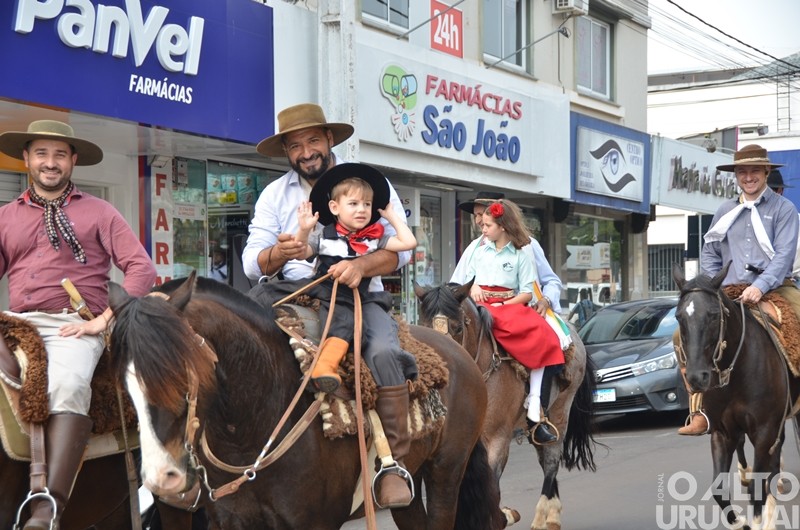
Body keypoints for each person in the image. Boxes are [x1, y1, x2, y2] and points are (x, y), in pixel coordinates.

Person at [241, 103, 416, 507]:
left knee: (383, 351)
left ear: (330, 140)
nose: (305, 152)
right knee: (239, 341)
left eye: (313, 141)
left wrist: (360, 265)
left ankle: (393, 463)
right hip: (292, 290)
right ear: (286, 151)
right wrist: (283, 251)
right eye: (295, 145)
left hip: (360, 292)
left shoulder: (369, 184)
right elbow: (254, 263)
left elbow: (402, 251)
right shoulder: (274, 194)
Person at [0, 120, 156, 529]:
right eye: (41, 154)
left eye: (58, 155)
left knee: (68, 386)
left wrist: (104, 320)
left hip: (73, 324)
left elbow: (141, 269)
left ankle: (48, 506)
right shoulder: (5, 217)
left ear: (72, 161)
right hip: (17, 321)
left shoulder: (99, 211)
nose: (49, 163)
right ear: (28, 159)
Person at [678, 144, 799, 436]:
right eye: (742, 171)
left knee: (799, 319)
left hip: (775, 287)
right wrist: (709, 285)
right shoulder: (724, 210)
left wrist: (759, 287)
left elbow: (783, 256)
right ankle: (698, 410)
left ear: (766, 172)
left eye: (755, 170)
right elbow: (709, 251)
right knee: (682, 333)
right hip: (728, 290)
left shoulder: (784, 209)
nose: (749, 177)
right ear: (735, 176)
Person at [451, 191, 567, 445]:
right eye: (477, 217)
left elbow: (547, 281)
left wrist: (545, 301)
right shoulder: (476, 247)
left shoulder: (527, 246)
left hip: (519, 305)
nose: (479, 222)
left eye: (484, 216)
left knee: (551, 339)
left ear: (500, 219)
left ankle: (538, 411)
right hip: (479, 307)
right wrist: (471, 289)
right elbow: (456, 282)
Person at [295, 162, 417, 392]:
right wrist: (303, 229)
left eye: (367, 204)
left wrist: (391, 217)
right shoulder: (323, 235)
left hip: (364, 299)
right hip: (326, 294)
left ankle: (395, 425)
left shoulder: (375, 238)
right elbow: (301, 252)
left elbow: (408, 243)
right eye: (353, 203)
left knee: (383, 349)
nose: (361, 209)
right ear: (334, 207)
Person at [767, 169, 800, 286]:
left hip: (790, 279)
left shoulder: (793, 215)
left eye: (768, 191)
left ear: (780, 191)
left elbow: (786, 254)